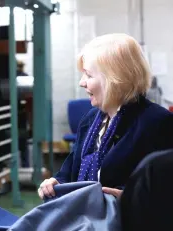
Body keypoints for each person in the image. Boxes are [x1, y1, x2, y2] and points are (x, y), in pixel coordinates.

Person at [38, 33, 173, 199]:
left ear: (115, 79)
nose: (82, 82)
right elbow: (72, 167)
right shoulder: (90, 119)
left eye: (88, 75)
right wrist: (57, 182)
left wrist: (129, 198)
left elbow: (164, 188)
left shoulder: (157, 122)